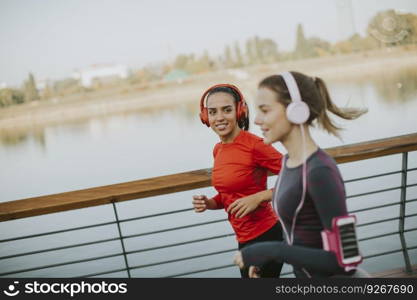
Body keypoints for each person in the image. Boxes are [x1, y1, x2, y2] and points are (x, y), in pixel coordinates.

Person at [233, 71, 367, 278]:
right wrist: (268, 259)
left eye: (265, 110)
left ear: (296, 111)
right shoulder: (288, 162)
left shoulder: (320, 171)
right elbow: (298, 234)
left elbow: (345, 259)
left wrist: (271, 250)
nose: (257, 120)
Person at [192, 83, 284, 278]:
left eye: (227, 110)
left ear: (239, 111)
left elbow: (299, 178)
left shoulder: (255, 145)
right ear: (205, 116)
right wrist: (209, 203)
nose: (220, 117)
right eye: (213, 112)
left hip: (267, 235)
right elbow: (229, 195)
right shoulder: (218, 149)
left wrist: (259, 197)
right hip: (244, 239)